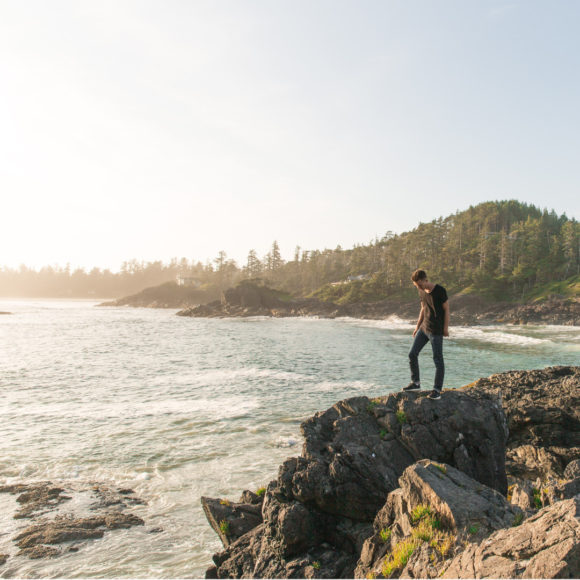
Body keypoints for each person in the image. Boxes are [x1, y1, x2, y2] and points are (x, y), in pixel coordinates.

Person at [403, 269, 449, 400]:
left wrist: (445, 329)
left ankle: (437, 390)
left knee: (438, 359)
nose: (419, 287)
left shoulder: (440, 291)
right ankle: (415, 383)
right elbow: (423, 308)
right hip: (424, 329)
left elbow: (447, 310)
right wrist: (417, 327)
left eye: (419, 284)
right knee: (412, 354)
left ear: (425, 280)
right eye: (416, 286)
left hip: (436, 331)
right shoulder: (422, 291)